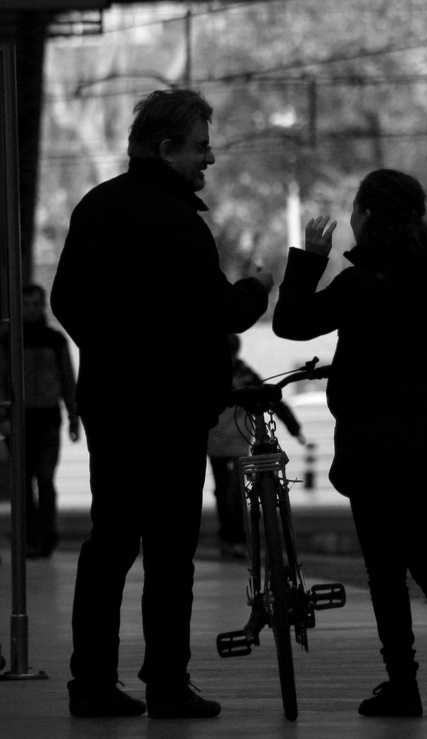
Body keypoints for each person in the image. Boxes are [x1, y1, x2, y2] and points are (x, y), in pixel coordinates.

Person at [50, 88, 273, 720]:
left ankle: (90, 683)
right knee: (170, 551)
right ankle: (167, 684)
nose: (209, 159)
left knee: (110, 543)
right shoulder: (177, 222)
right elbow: (216, 312)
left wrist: (114, 351)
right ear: (165, 147)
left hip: (112, 403)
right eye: (200, 147)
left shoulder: (97, 207)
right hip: (171, 408)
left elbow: (67, 300)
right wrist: (258, 288)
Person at [273, 169, 427, 717]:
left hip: (374, 442)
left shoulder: (359, 282)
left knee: (385, 569)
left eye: (355, 209)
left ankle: (404, 686)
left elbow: (290, 324)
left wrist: (310, 258)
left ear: (368, 216)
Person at [0, 284, 80, 558]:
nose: (32, 309)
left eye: (36, 303)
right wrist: (3, 417)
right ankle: (30, 535)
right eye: (26, 304)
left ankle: (44, 535)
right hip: (20, 418)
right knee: (24, 481)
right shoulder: (8, 340)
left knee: (44, 479)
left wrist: (72, 416)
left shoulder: (54, 340)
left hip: (47, 417)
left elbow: (68, 380)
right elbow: (1, 380)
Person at [207, 333, 305, 560]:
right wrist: (294, 427)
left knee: (230, 491)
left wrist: (293, 427)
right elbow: (272, 398)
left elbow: (271, 400)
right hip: (217, 443)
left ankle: (235, 538)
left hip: (234, 442)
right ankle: (231, 538)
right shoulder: (243, 374)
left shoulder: (228, 374)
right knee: (225, 492)